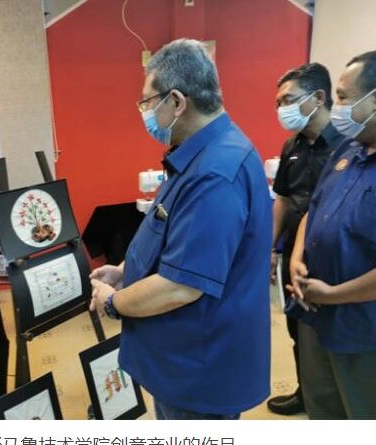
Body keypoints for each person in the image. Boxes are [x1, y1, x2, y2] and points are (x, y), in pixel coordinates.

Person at [89, 39, 272, 420]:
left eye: (147, 101)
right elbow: (172, 234)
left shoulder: (215, 173)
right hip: (182, 354)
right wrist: (125, 270)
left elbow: (181, 285)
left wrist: (112, 302)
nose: (144, 112)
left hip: (199, 367)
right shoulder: (202, 151)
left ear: (175, 101)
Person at [288, 50, 376, 419]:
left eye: (345, 97)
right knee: (323, 413)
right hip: (317, 318)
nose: (337, 108)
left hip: (368, 333)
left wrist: (335, 294)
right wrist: (296, 259)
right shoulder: (347, 150)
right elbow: (313, 210)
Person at [267, 63, 346, 416]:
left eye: (288, 100)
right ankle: (305, 391)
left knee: (331, 330)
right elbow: (283, 199)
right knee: (297, 327)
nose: (281, 108)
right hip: (293, 256)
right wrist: (270, 247)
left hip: (333, 257)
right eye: (278, 103)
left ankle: (340, 401)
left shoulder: (348, 144)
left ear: (318, 97)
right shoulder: (292, 145)